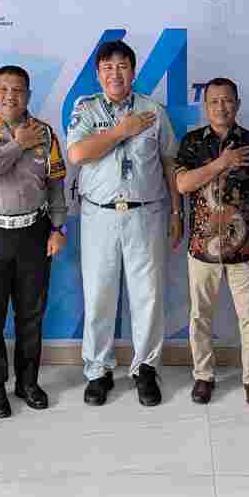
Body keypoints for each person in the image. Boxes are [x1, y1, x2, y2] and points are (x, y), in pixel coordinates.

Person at [67, 39, 182, 407]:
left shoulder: (153, 111)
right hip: (99, 214)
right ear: (98, 73)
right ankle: (98, 370)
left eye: (122, 66)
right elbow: (78, 153)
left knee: (148, 295)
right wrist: (122, 130)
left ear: (133, 71)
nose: (115, 73)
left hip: (146, 213)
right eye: (107, 67)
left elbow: (169, 162)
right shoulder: (86, 108)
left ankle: (145, 368)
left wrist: (177, 212)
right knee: (99, 293)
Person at [0, 65, 68, 418]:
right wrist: (17, 144)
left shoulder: (45, 133)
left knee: (31, 314)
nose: (11, 96)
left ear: (28, 95)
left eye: (18, 90)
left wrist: (57, 228)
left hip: (34, 234)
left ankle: (28, 383)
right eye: (4, 90)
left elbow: (55, 184)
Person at [175, 77, 249, 407]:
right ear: (205, 106)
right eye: (214, 101)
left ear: (238, 103)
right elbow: (183, 185)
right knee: (200, 317)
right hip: (201, 249)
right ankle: (203, 376)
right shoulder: (192, 142)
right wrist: (221, 163)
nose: (221, 107)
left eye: (227, 100)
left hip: (246, 250)